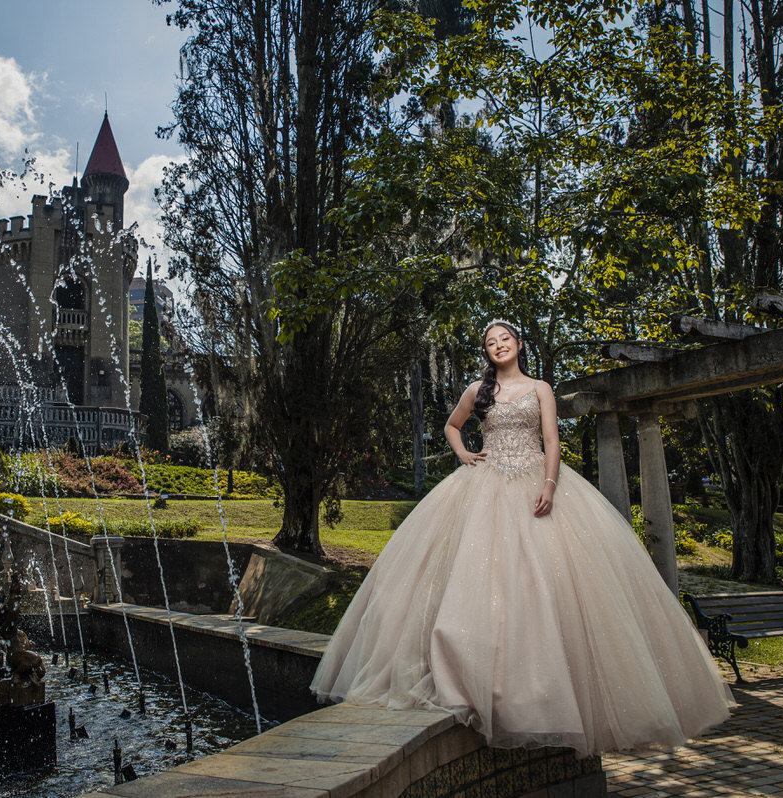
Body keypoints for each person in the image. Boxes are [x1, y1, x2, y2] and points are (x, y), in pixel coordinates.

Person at [309, 320, 733, 756]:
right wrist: (464, 453)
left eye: (505, 339)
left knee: (545, 581)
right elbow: (452, 426)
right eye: (491, 343)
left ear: (519, 344)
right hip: (485, 485)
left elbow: (552, 440)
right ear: (487, 351)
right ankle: (469, 681)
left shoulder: (540, 388)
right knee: (478, 579)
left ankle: (544, 693)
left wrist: (549, 484)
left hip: (535, 480)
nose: (499, 346)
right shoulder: (477, 390)